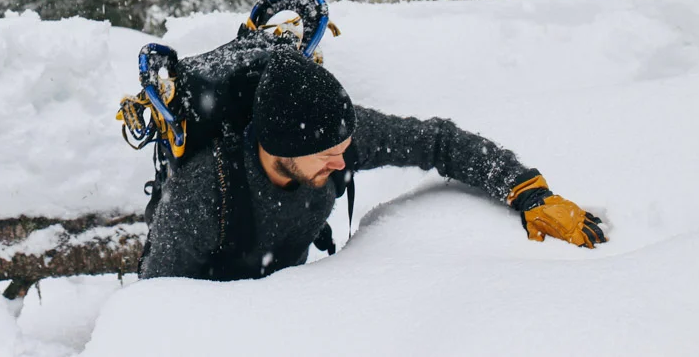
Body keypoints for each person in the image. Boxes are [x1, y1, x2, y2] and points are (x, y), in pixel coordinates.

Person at [138, 55, 607, 281]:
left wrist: (527, 190)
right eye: (328, 156)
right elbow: (159, 302)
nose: (343, 162)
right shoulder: (203, 192)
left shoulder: (334, 138)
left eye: (345, 149)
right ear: (278, 147)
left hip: (293, 304)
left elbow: (438, 141)